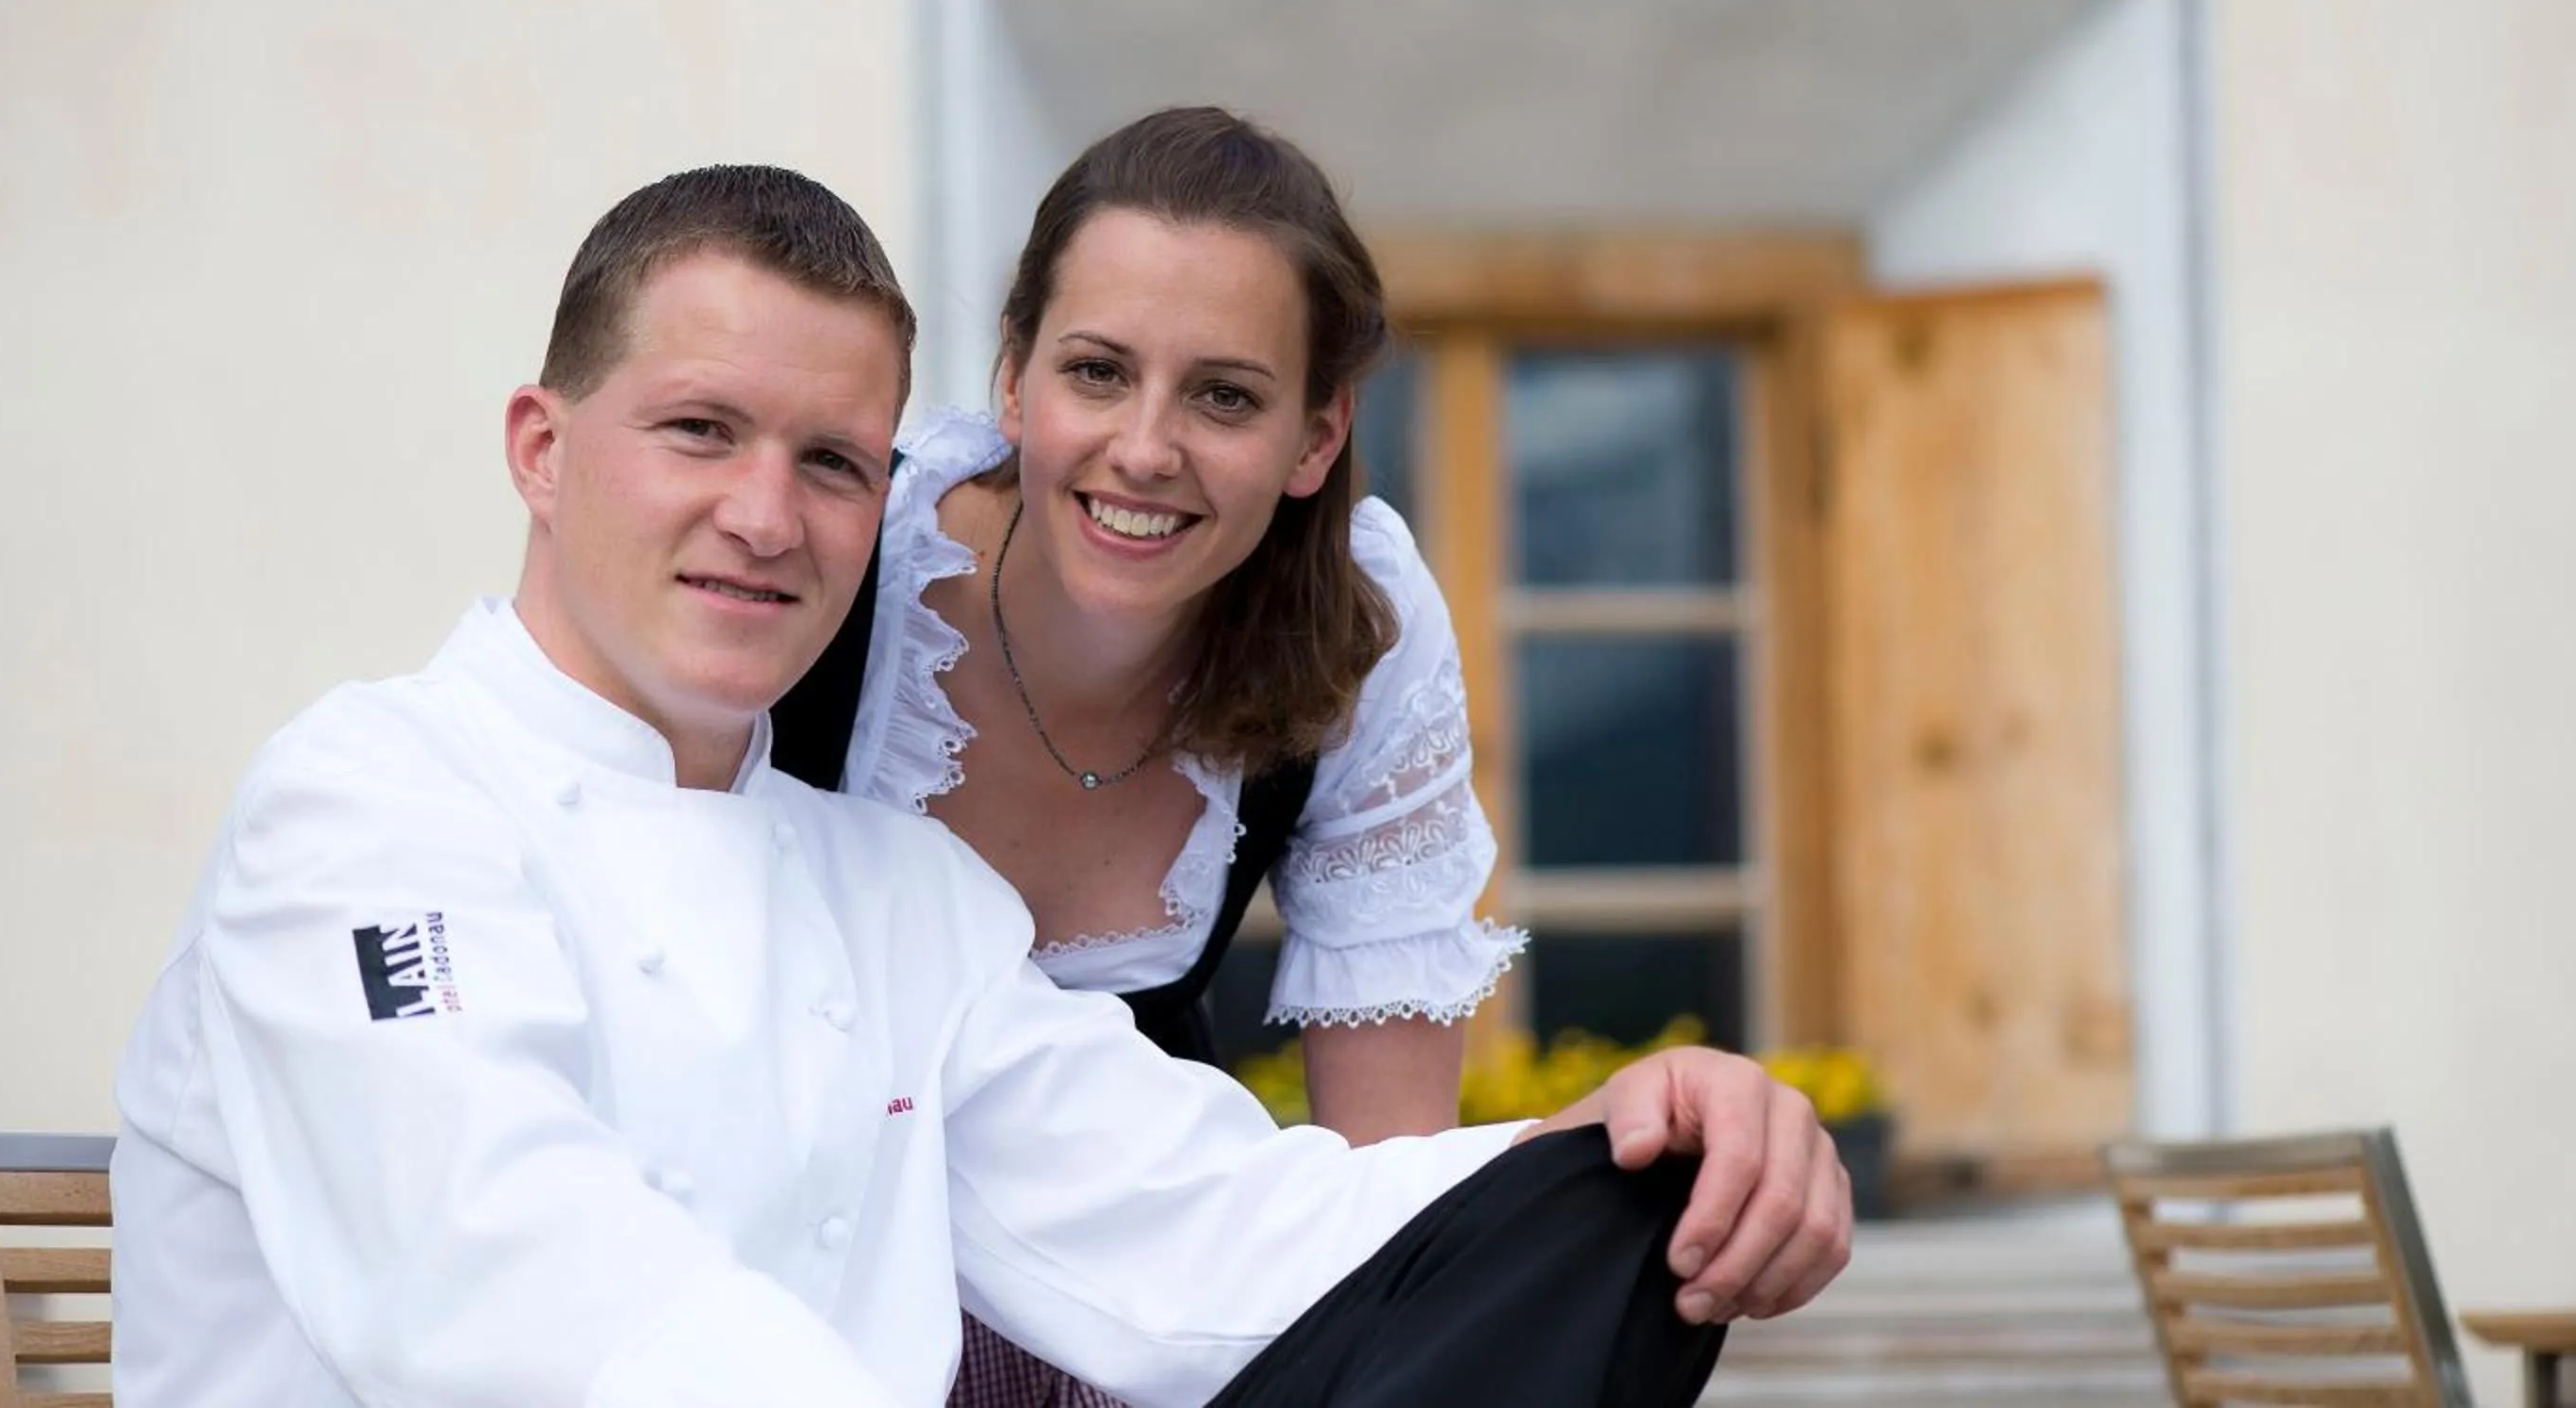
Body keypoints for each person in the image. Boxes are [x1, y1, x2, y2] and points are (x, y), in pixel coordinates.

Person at [111, 164, 1852, 1408]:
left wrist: (1620, 1147)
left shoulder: (890, 889)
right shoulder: (360, 809)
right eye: (700, 430)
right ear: (542, 447)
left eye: (832, 463)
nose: (766, 515)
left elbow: (1214, 1231)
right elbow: (500, 1279)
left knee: (1595, 1242)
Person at [766, 107, 1520, 1405]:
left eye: (1225, 394)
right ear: (1014, 375)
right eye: (1099, 371)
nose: (1146, 447)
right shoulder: (832, 555)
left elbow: (1381, 1182)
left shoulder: (1358, 632)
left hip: (1141, 1321)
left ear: (1318, 436)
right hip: (802, 1298)